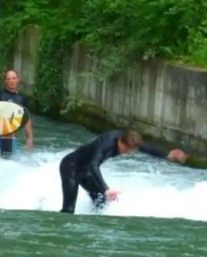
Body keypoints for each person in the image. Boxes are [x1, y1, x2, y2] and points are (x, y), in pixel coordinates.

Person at [59, 127, 188, 214]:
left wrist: (167, 155)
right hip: (71, 167)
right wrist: (106, 189)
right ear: (120, 142)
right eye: (126, 150)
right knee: (69, 209)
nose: (127, 153)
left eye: (130, 151)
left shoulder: (129, 140)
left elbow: (148, 149)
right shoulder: (107, 142)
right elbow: (94, 165)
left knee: (102, 203)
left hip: (86, 171)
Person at [0, 69, 34, 155]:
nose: (11, 81)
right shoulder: (1, 94)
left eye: (13, 78)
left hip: (10, 139)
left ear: (18, 80)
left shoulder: (23, 98)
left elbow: (26, 119)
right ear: (5, 81)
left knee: (9, 161)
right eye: (9, 79)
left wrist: (30, 138)